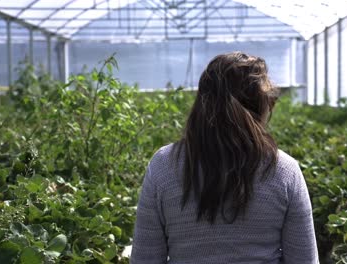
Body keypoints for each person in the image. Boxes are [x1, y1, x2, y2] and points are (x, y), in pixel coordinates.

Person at [131, 52, 318, 263]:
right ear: (261, 106)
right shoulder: (284, 171)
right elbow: (304, 259)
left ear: (201, 103)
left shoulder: (164, 166)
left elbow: (145, 258)